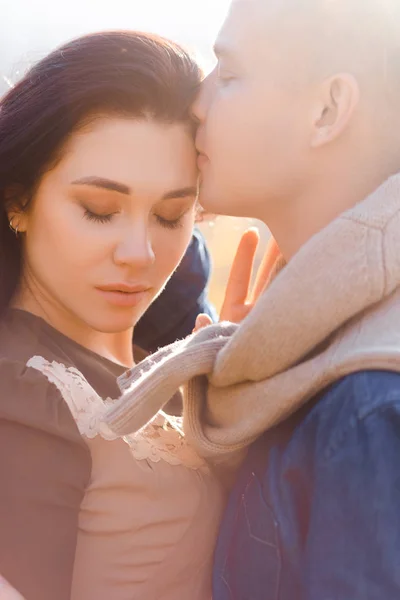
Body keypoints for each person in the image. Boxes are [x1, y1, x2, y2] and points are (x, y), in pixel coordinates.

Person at [105, 1, 400, 598]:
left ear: (327, 111)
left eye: (230, 76)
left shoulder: (367, 407)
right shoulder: (295, 358)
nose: (197, 102)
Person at [0, 31, 229, 600]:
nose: (140, 253)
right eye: (99, 211)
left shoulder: (167, 366)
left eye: (172, 215)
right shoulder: (24, 396)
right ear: (18, 200)